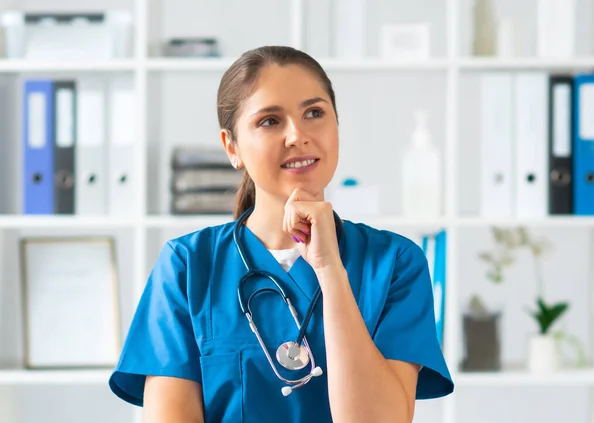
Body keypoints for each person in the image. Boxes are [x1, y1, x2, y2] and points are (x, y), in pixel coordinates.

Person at [108, 45, 454, 423]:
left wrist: (330, 271)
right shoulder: (187, 267)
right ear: (232, 147)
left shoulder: (395, 264)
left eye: (314, 113)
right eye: (270, 121)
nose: (297, 135)